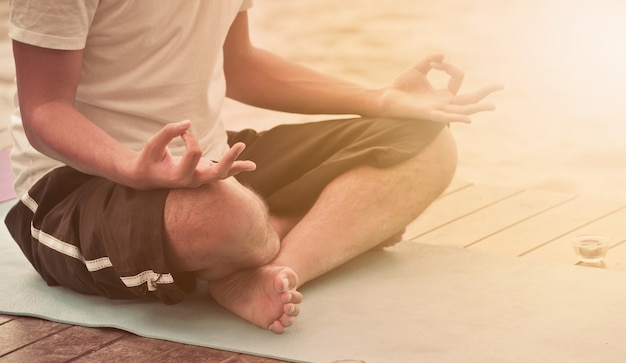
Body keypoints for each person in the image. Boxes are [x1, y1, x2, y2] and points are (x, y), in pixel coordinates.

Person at [5, 0, 501, 333]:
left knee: (426, 141)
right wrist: (132, 168)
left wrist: (380, 99)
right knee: (226, 216)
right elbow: (45, 109)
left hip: (208, 161)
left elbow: (239, 64)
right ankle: (299, 230)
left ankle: (271, 271)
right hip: (78, 185)